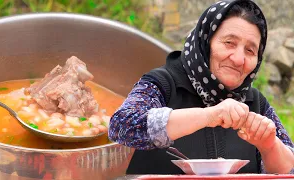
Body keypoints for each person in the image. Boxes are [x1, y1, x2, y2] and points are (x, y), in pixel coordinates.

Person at [108, 0, 294, 175]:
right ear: (206, 41)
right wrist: (210, 115)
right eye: (229, 43)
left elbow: (289, 172)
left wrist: (269, 146)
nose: (239, 59)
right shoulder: (164, 84)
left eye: (250, 50)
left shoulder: (256, 104)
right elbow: (121, 126)